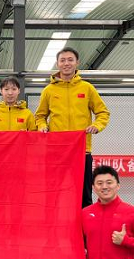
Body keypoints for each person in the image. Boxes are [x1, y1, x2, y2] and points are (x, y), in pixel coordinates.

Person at [34, 47, 109, 207]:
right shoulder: (49, 90)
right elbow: (40, 116)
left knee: (84, 195)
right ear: (57, 64)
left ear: (77, 63)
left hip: (82, 150)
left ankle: (84, 224)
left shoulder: (87, 88)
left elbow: (103, 112)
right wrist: (42, 126)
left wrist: (97, 125)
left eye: (70, 60)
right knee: (54, 194)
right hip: (56, 151)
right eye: (62, 60)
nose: (66, 63)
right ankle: (55, 223)